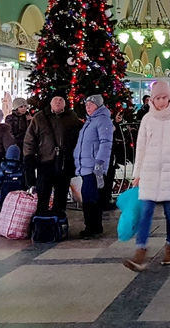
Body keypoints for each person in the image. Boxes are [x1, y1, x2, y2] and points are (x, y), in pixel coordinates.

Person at [123, 80, 170, 271]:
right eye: (158, 98)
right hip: (149, 171)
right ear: (152, 99)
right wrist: (136, 174)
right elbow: (141, 148)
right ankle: (141, 250)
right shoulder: (148, 118)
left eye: (165, 97)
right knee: (146, 212)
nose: (162, 102)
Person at [23, 93, 82, 217]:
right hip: (45, 161)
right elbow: (30, 139)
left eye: (61, 99)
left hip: (65, 162)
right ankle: (42, 221)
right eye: (55, 99)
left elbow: (78, 138)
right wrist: (29, 156)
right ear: (50, 102)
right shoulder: (39, 117)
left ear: (65, 103)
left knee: (61, 193)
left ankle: (58, 221)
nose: (58, 102)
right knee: (43, 192)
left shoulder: (72, 117)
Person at [74, 94, 114, 238]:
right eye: (86, 105)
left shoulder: (102, 120)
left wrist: (100, 163)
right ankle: (94, 226)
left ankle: (92, 226)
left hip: (93, 166)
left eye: (91, 104)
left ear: (98, 105)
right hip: (86, 165)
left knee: (89, 196)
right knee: (89, 195)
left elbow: (105, 143)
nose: (88, 107)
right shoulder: (90, 121)